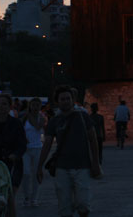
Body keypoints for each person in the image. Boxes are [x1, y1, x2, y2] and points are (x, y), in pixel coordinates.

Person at [37, 85, 101, 217]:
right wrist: (39, 166)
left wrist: (96, 163)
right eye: (62, 99)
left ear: (72, 100)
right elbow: (47, 144)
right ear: (57, 102)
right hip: (62, 167)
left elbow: (93, 139)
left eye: (68, 98)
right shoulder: (54, 121)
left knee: (83, 204)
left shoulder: (83, 117)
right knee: (64, 206)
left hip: (82, 166)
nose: (66, 101)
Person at [20, 98, 45, 207]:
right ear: (30, 106)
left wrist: (32, 116)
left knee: (36, 173)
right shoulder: (24, 118)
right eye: (33, 105)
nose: (35, 107)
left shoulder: (42, 118)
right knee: (25, 173)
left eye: (37, 105)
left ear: (40, 107)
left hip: (37, 148)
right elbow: (20, 130)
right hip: (26, 149)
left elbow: (38, 127)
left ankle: (34, 198)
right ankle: (26, 196)